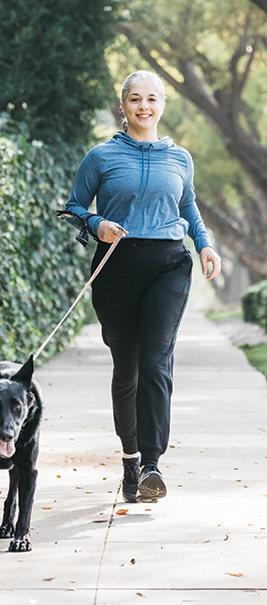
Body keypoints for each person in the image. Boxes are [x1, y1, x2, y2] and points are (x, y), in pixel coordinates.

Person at [64, 69, 221, 503]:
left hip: (169, 264)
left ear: (163, 106)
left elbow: (188, 204)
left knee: (156, 362)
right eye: (135, 99)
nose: (144, 106)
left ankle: (152, 463)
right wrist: (97, 225)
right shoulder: (101, 156)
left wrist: (204, 244)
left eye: (152, 99)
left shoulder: (180, 158)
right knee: (127, 369)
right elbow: (74, 206)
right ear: (123, 106)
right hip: (116, 266)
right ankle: (130, 458)